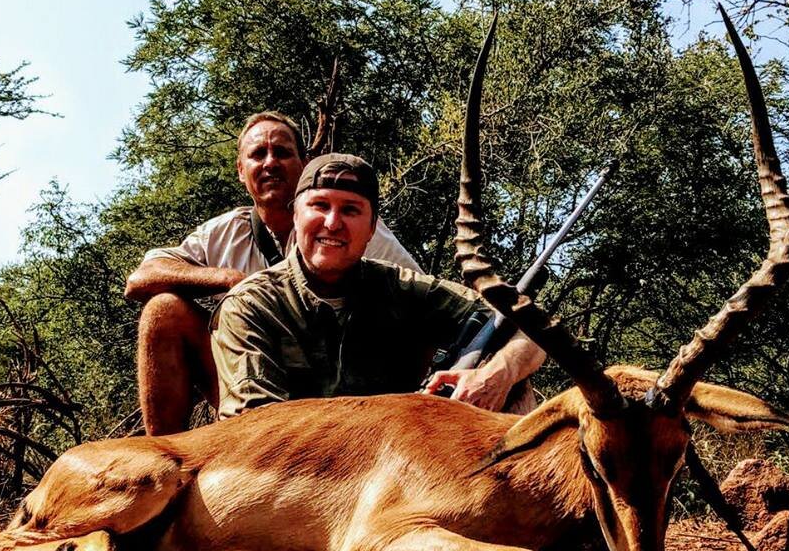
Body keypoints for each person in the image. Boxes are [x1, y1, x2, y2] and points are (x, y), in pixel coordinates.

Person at [124, 111, 420, 435]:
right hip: (251, 390)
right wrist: (230, 281)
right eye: (257, 155)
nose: (269, 163)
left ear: (304, 163)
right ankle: (171, 461)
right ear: (241, 170)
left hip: (345, 396)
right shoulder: (225, 232)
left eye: (281, 152)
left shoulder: (342, 226)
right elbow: (140, 279)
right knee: (163, 310)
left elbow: (416, 295)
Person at [211, 153, 544, 419]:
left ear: (372, 229)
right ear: (295, 217)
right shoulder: (250, 304)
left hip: (393, 473)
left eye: (350, 210)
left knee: (511, 381)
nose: (333, 223)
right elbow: (257, 426)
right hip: (293, 475)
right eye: (320, 205)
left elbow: (529, 329)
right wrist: (401, 420)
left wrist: (498, 373)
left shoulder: (402, 288)